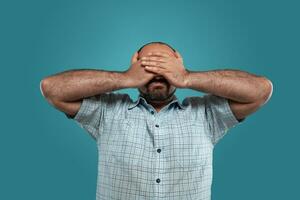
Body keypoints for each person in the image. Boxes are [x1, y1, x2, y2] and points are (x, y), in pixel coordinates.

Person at [40, 41, 273, 200]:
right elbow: (52, 89)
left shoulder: (205, 114)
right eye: (148, 65)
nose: (157, 72)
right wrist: (124, 78)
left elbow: (261, 90)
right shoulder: (108, 112)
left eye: (165, 65)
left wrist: (187, 76)